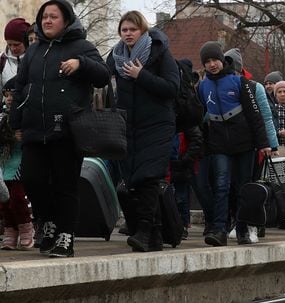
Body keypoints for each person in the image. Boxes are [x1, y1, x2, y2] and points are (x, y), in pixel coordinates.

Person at [9, 0, 111, 257]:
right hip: (34, 130)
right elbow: (21, 86)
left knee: (65, 185)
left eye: (53, 16)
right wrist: (15, 121)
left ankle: (66, 235)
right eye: (44, 17)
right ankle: (49, 222)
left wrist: (81, 64)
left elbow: (103, 75)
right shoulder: (34, 51)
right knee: (32, 180)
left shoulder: (82, 47)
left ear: (66, 20)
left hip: (67, 130)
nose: (47, 21)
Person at [106, 11, 180, 252]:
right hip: (129, 126)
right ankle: (155, 236)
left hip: (157, 125)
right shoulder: (116, 57)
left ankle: (145, 230)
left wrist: (141, 75)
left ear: (143, 31)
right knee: (133, 179)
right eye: (124, 30)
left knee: (149, 177)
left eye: (132, 29)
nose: (128, 34)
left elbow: (171, 88)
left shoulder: (159, 52)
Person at [197, 41, 270, 246]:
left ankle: (243, 229)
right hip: (218, 143)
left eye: (215, 60)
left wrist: (263, 143)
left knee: (242, 187)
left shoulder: (240, 83)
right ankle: (219, 229)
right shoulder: (203, 87)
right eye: (207, 61)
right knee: (221, 186)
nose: (212, 64)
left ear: (222, 60)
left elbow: (255, 115)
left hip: (244, 143)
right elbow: (199, 116)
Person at [0, 77, 34, 250]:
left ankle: (26, 228)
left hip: (20, 164)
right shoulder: (2, 117)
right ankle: (10, 231)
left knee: (18, 199)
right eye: (6, 94)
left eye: (13, 94)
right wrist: (10, 137)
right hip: (4, 165)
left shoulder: (27, 114)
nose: (9, 98)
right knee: (4, 202)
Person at [0, 18, 30, 93]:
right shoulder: (2, 60)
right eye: (9, 44)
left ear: (26, 42)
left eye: (17, 44)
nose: (13, 48)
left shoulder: (35, 59)